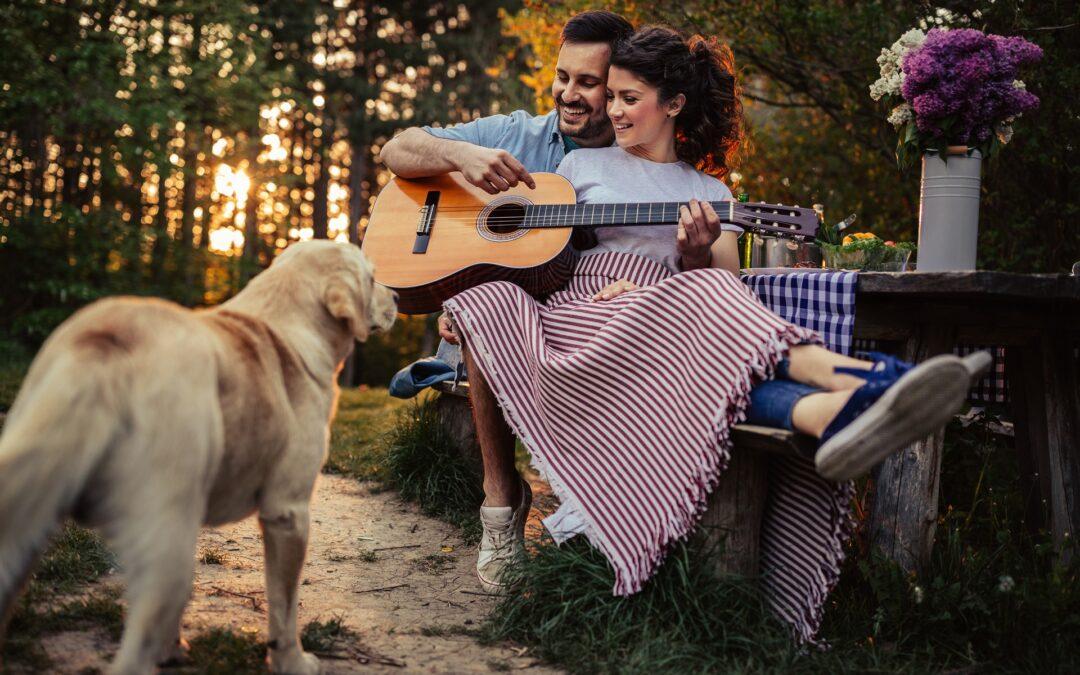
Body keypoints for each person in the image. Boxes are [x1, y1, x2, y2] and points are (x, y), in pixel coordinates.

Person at [382, 19, 987, 642]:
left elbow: (722, 282)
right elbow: (541, 261)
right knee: (687, 304)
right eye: (601, 93)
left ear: (673, 104)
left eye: (621, 96)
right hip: (599, 318)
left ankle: (830, 413)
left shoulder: (710, 191)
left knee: (703, 310)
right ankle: (878, 382)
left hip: (680, 320)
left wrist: (693, 254)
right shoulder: (577, 167)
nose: (607, 108)